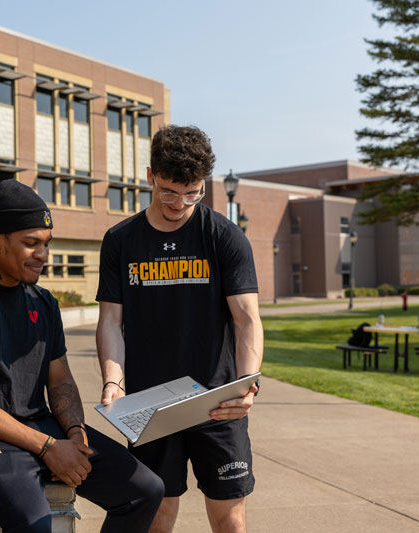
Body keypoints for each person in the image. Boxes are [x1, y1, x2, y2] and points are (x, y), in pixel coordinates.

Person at [0, 179, 164, 533]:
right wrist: (48, 448)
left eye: (47, 244)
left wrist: (75, 434)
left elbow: (60, 378)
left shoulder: (43, 303)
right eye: (30, 243)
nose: (43, 254)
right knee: (37, 525)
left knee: (145, 490)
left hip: (44, 427)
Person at [96, 125, 264, 533]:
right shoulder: (121, 240)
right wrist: (113, 382)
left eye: (193, 193)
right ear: (151, 175)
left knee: (230, 519)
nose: (180, 203)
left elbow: (247, 319)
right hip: (151, 405)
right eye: (170, 191)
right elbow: (111, 321)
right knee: (158, 512)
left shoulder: (225, 236)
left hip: (218, 402)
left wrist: (246, 385)